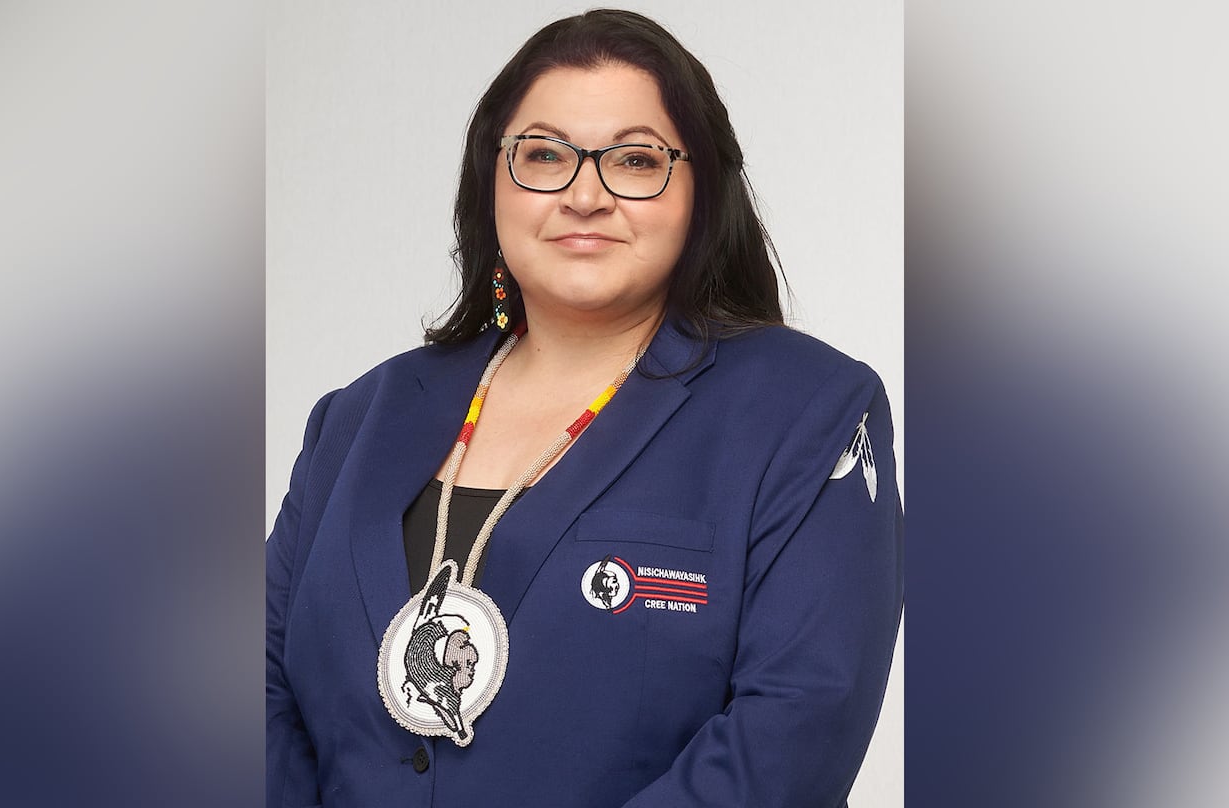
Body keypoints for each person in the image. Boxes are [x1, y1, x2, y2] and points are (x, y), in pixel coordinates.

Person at [267, 9, 902, 807]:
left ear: (701, 188)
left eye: (635, 161)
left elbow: (792, 735)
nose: (584, 194)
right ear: (490, 181)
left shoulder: (807, 414)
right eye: (543, 155)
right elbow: (258, 690)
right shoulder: (357, 419)